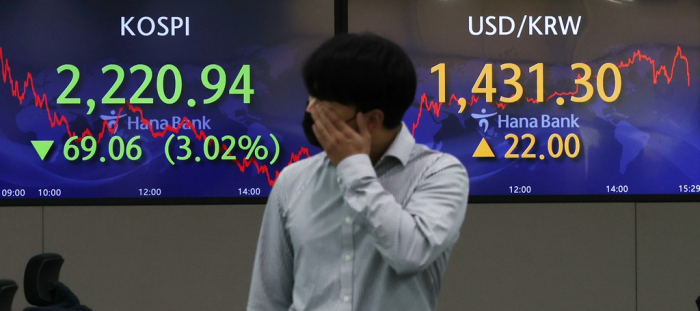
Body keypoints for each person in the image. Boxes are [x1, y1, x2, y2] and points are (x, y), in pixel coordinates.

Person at [247, 33, 469, 311]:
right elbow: (267, 300)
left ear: (373, 119)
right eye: (312, 95)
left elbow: (411, 254)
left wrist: (354, 168)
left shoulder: (438, 173)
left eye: (325, 99)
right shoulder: (294, 179)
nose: (311, 108)